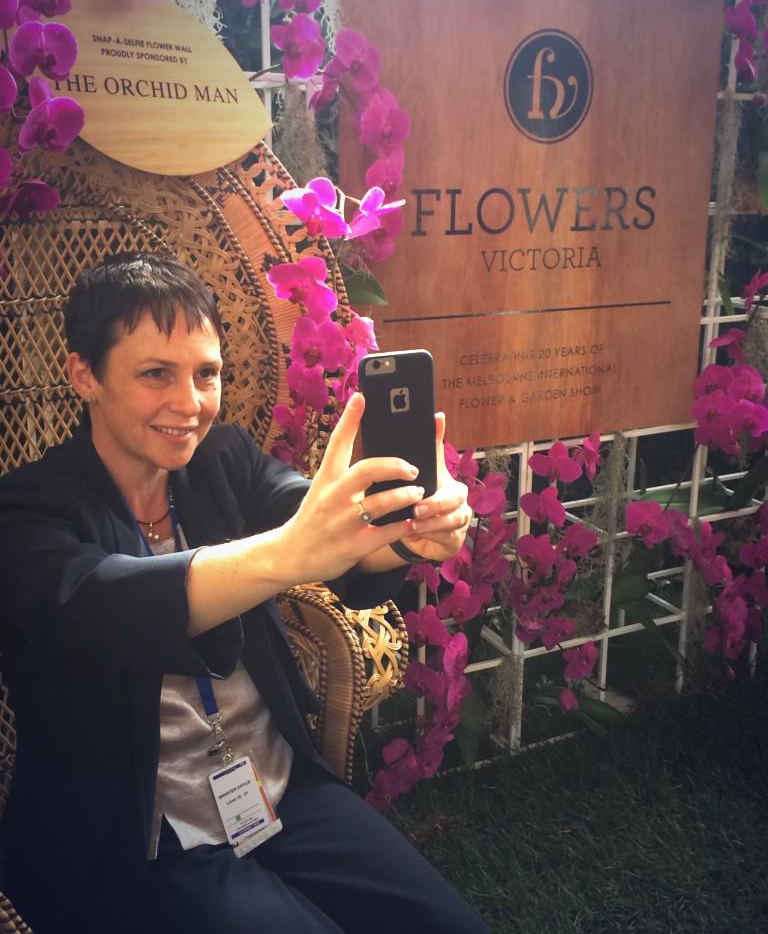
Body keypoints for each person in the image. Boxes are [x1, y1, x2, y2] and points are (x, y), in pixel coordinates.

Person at [0, 253, 487, 934]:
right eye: (154, 375)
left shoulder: (222, 460)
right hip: (140, 841)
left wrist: (414, 532)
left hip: (276, 788)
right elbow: (103, 607)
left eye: (206, 374)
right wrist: (288, 552)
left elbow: (325, 529)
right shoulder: (26, 510)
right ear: (84, 373)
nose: (189, 403)